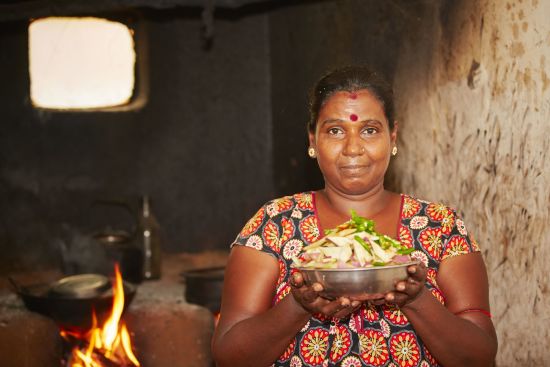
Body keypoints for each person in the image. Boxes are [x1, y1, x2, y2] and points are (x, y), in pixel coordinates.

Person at [211, 65, 497, 367]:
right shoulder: (275, 224)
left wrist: (416, 299)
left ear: (393, 136)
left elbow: (480, 356)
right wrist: (297, 306)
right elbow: (229, 355)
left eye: (369, 130)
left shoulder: (440, 226)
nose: (352, 148)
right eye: (335, 131)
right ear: (312, 140)